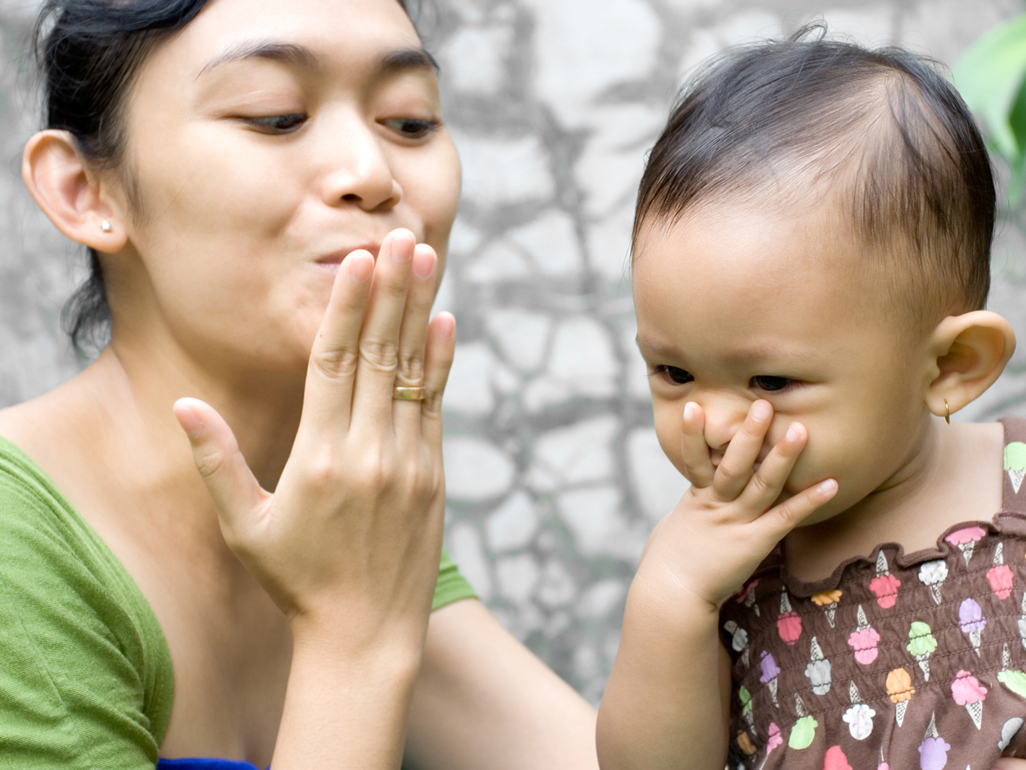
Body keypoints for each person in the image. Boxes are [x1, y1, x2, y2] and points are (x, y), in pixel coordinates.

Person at [0, 0, 598, 767]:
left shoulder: (344, 505)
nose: (372, 175)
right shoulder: (20, 551)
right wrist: (353, 637)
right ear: (85, 190)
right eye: (276, 116)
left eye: (410, 122)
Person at [596, 29, 1026, 770]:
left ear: (950, 365)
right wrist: (671, 600)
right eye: (672, 373)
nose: (716, 423)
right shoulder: (723, 575)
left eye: (769, 383)